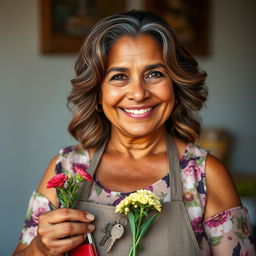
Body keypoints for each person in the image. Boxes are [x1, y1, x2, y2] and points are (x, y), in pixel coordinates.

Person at [13, 10, 255, 256]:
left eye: (154, 74)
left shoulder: (206, 175)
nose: (138, 93)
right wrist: (39, 250)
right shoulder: (65, 171)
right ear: (98, 93)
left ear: (175, 84)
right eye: (119, 76)